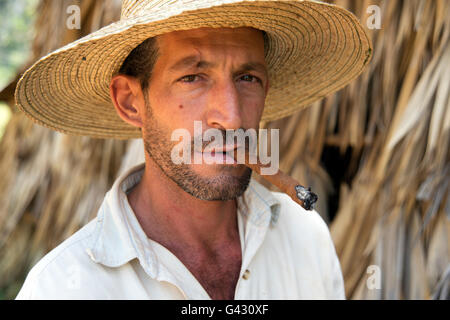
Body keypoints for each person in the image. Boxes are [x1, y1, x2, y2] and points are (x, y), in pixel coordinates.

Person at [14, 0, 372, 299]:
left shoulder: (305, 239)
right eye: (192, 77)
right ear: (130, 101)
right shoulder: (64, 287)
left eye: (247, 78)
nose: (231, 119)